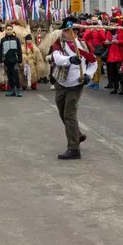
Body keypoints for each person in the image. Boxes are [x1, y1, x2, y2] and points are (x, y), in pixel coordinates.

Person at [47, 17, 97, 160]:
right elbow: (56, 59)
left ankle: (74, 149)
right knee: (62, 113)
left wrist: (88, 75)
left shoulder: (84, 45)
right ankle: (77, 134)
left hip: (76, 84)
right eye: (66, 30)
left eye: (71, 31)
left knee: (69, 115)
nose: (67, 33)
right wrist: (70, 59)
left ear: (75, 31)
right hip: (61, 83)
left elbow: (93, 63)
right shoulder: (59, 44)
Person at [0, 24, 23, 98]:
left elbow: (19, 50)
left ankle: (18, 90)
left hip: (15, 60)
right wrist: (1, 61)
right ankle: (12, 90)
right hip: (7, 61)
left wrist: (20, 60)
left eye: (10, 29)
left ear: (12, 30)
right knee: (9, 76)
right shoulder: (3, 40)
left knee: (16, 75)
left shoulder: (16, 39)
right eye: (8, 29)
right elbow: (1, 51)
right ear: (5, 30)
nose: (9, 31)